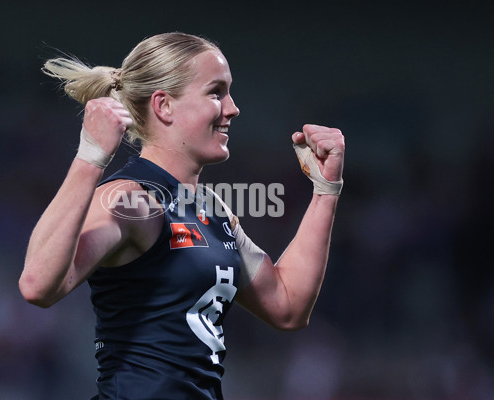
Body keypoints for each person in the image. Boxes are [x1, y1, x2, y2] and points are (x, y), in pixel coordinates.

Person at [19, 32, 345, 400]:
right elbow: (38, 285)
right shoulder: (131, 199)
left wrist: (326, 191)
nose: (233, 108)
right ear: (164, 106)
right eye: (216, 92)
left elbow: (288, 305)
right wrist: (89, 158)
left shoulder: (210, 209)